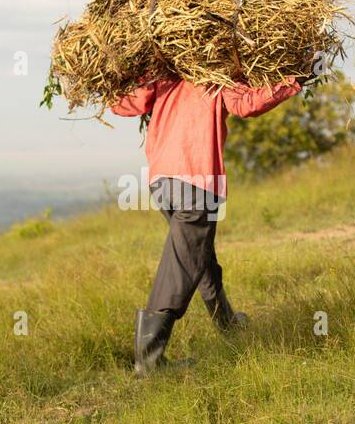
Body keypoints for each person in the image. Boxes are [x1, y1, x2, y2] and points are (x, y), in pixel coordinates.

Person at [110, 71, 302, 376]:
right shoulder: (215, 74)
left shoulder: (163, 75)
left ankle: (228, 324)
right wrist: (293, 81)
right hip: (197, 182)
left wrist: (110, 83)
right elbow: (247, 103)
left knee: (198, 256)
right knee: (182, 264)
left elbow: (125, 103)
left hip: (162, 182)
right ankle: (148, 363)